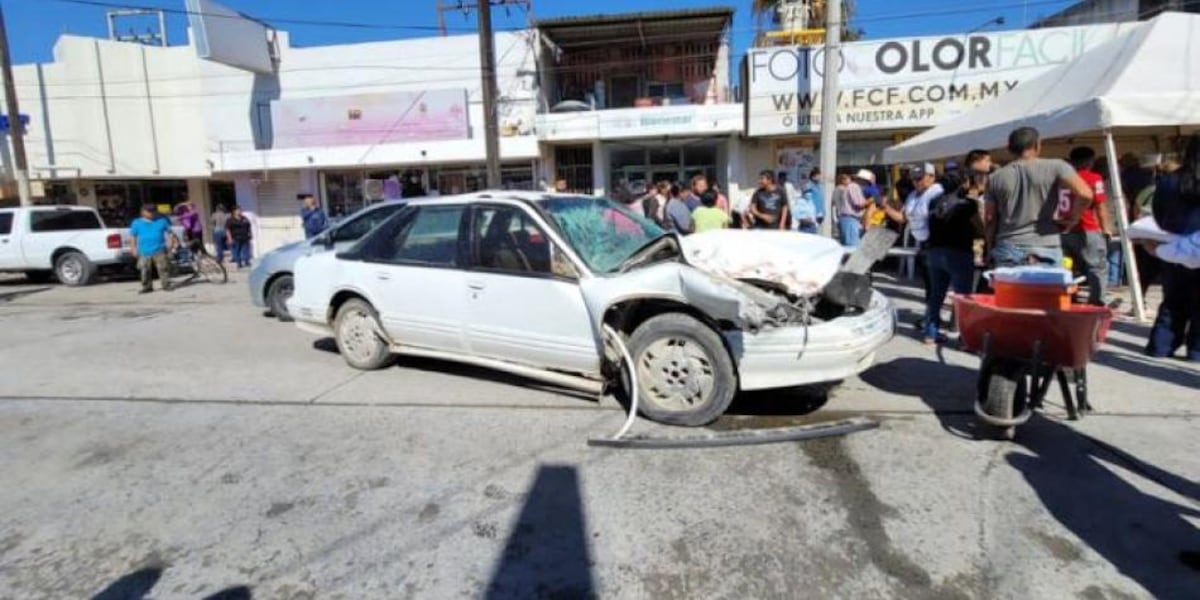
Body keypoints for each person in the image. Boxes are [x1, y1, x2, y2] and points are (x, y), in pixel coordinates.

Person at [985, 127, 1094, 267]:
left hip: (1008, 245)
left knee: (1010, 282)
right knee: (1047, 282)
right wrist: (1073, 218)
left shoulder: (995, 177)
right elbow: (1085, 194)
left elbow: (990, 218)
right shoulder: (1057, 166)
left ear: (1009, 148)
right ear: (1037, 145)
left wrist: (989, 247)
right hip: (1046, 244)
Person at [1143, 135, 1200, 361]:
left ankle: (1160, 346)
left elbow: (1158, 213)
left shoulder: (1168, 180)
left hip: (1172, 246)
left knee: (1173, 300)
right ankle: (1196, 351)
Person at [922, 171, 987, 344]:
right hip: (959, 253)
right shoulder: (968, 204)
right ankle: (965, 338)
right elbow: (979, 229)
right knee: (963, 298)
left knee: (936, 295)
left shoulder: (933, 201)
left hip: (934, 251)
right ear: (962, 184)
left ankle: (930, 333)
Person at [1060, 146, 1113, 306]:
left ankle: (1067, 298)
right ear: (1090, 161)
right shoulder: (1093, 178)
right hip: (1086, 228)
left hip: (1061, 229)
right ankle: (1097, 301)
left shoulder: (1060, 178)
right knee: (1097, 267)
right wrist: (1106, 229)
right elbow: (1100, 205)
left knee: (1065, 267)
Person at [129, 204, 174, 294]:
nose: (152, 213)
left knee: (163, 268)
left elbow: (170, 233)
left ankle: (166, 285)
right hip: (144, 250)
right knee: (145, 269)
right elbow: (133, 236)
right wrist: (133, 248)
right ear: (143, 212)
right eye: (149, 211)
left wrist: (171, 243)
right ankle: (147, 286)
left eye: (153, 211)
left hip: (159, 248)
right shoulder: (136, 222)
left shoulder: (162, 221)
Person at [833, 173, 868, 245]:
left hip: (845, 218)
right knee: (852, 246)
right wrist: (873, 199)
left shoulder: (843, 188)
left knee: (846, 245)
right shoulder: (854, 186)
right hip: (851, 219)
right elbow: (858, 204)